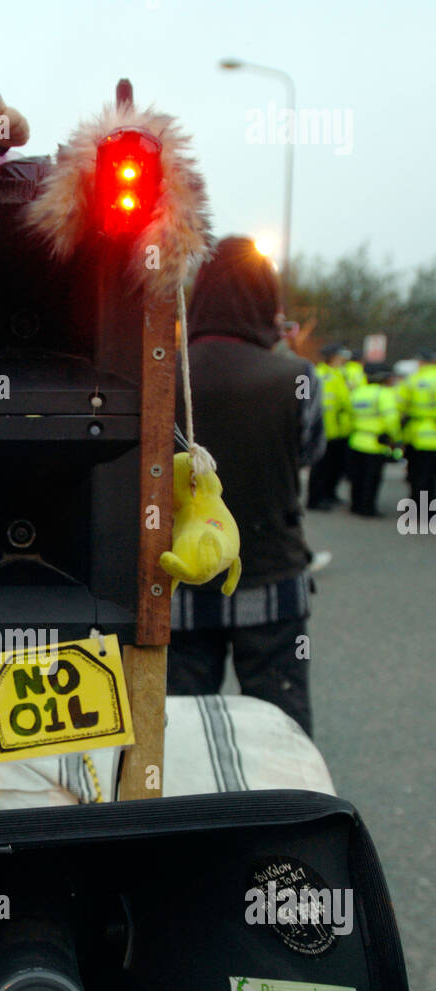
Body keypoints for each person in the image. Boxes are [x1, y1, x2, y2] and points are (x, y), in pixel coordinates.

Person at [168, 236, 325, 738]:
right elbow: (309, 453)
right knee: (283, 728)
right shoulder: (296, 376)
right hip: (272, 580)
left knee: (179, 734)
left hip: (181, 581)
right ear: (267, 301)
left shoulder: (163, 372)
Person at [346, 367, 402, 516]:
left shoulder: (358, 392)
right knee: (371, 478)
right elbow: (391, 419)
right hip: (375, 443)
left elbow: (349, 415)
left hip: (356, 440)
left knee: (357, 476)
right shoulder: (384, 393)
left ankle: (355, 505)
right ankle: (367, 508)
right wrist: (396, 438)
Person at [308, 344, 352, 510]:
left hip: (336, 429)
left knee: (333, 466)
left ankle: (328, 494)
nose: (343, 360)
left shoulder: (337, 373)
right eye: (340, 356)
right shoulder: (321, 374)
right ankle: (316, 499)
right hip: (325, 429)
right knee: (321, 467)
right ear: (332, 357)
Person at [397, 350, 436, 502]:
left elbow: (399, 406)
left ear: (421, 362)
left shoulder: (412, 380)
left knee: (417, 474)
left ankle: (418, 506)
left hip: (415, 434)